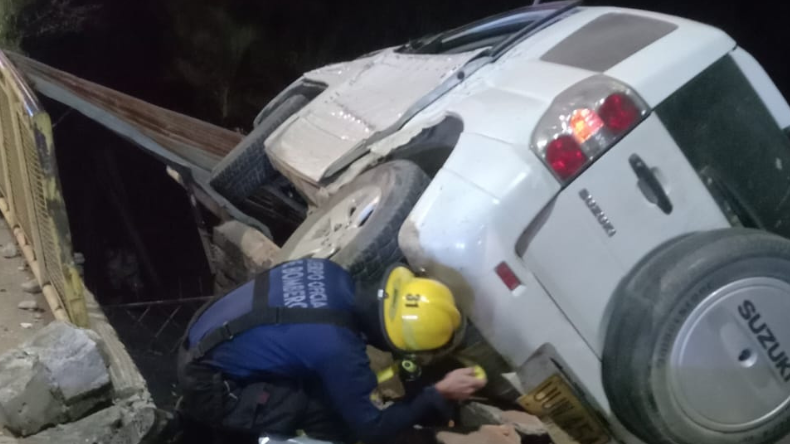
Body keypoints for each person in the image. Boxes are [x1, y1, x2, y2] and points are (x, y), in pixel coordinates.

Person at [177, 258, 486, 444]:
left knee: (327, 385)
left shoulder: (330, 272)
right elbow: (373, 427)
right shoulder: (338, 349)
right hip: (211, 384)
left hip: (203, 332)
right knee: (329, 417)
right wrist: (437, 393)